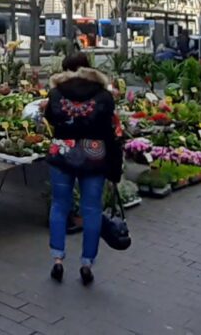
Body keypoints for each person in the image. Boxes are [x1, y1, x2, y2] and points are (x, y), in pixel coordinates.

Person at [43, 53, 123, 286]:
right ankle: (87, 263)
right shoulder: (104, 95)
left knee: (59, 205)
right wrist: (114, 167)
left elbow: (49, 117)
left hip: (62, 153)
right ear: (88, 68)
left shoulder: (56, 93)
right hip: (94, 154)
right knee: (91, 209)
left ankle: (57, 259)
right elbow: (111, 133)